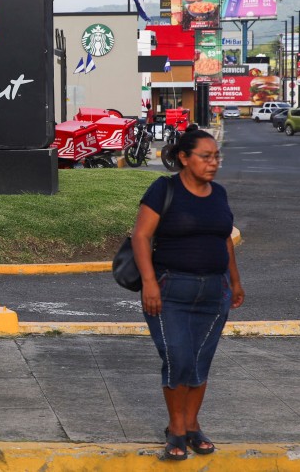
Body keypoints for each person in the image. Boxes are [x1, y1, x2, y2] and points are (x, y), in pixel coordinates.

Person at [130, 125, 245, 461]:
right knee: (178, 359)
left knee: (199, 362)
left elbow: (225, 240)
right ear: (183, 157)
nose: (213, 163)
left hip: (215, 289)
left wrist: (235, 282)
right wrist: (149, 283)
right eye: (205, 157)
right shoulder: (163, 190)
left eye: (216, 157)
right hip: (171, 290)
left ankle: (192, 426)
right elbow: (140, 237)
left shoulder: (219, 194)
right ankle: (176, 428)